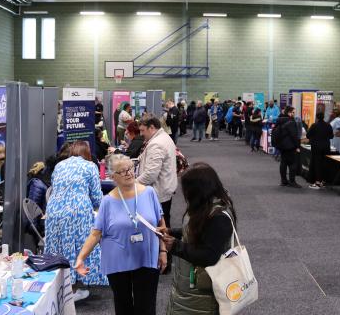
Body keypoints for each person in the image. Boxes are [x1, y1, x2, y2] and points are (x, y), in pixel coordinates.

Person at [75, 154, 167, 315]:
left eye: (130, 168)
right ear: (112, 177)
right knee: (123, 306)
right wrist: (81, 258)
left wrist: (163, 250)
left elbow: (161, 225)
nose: (129, 173)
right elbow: (96, 234)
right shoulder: (107, 201)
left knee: (146, 306)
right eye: (122, 171)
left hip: (146, 256)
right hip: (117, 260)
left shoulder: (149, 193)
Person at [160, 163, 236, 314]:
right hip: (191, 285)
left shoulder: (218, 217)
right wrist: (172, 231)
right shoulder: (205, 207)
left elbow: (209, 256)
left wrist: (175, 246)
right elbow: (201, 231)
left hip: (203, 290)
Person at [45, 141, 107, 301]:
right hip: (78, 212)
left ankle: (60, 288)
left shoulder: (60, 165)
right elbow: (96, 196)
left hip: (54, 211)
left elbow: (55, 187)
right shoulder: (90, 166)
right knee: (81, 246)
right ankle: (73, 289)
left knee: (59, 248)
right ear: (87, 153)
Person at [137, 116, 177, 230]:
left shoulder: (156, 143)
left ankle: (163, 248)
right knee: (165, 223)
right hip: (165, 188)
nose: (141, 134)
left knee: (158, 227)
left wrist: (133, 184)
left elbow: (150, 174)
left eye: (142, 130)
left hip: (158, 192)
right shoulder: (164, 137)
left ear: (152, 127)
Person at [306, 112, 334, 189]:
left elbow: (308, 135)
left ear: (317, 117)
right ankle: (323, 181)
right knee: (325, 163)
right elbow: (331, 136)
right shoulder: (328, 125)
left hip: (316, 147)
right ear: (323, 117)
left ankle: (317, 182)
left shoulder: (314, 125)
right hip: (326, 147)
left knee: (317, 164)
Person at [277, 106, 302, 188]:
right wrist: (297, 146)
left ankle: (283, 181)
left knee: (283, 163)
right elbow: (294, 135)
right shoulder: (291, 122)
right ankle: (292, 181)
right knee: (293, 164)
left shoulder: (280, 120)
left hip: (282, 145)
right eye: (293, 112)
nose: (294, 114)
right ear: (289, 113)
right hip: (290, 146)